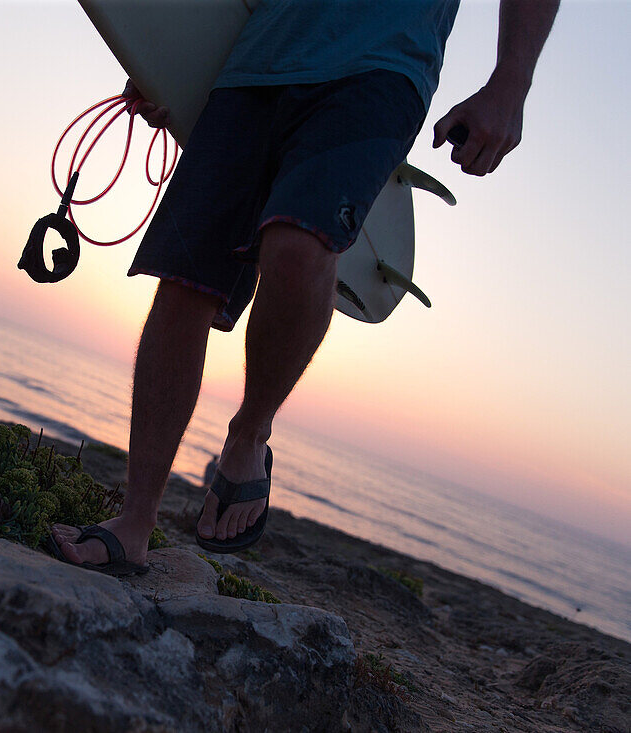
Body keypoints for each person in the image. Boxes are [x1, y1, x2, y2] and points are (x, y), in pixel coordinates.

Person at [49, 0, 560, 574]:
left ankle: (248, 434)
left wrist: (510, 83)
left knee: (300, 244)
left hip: (380, 69)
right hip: (254, 61)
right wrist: (167, 57)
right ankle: (135, 523)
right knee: (185, 282)